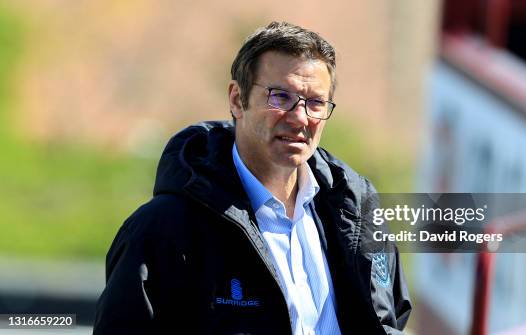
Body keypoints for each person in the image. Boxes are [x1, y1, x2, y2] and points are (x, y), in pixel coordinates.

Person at [93, 21, 411, 335]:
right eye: (280, 97)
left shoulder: (358, 215)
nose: (300, 117)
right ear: (236, 99)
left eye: (315, 103)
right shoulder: (163, 230)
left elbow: (389, 321)